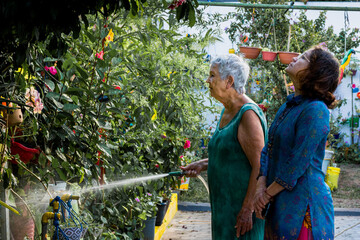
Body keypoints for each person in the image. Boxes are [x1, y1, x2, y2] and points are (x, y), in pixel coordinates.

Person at [254, 46, 340, 240]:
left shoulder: (316, 110)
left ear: (314, 73)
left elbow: (297, 163)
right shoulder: (289, 105)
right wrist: (261, 185)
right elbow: (268, 148)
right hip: (278, 200)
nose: (294, 58)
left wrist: (266, 195)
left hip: (304, 207)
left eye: (303, 58)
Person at [181, 54, 267, 239]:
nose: (208, 80)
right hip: (224, 208)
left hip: (241, 213)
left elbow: (260, 165)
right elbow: (233, 155)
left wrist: (247, 209)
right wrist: (203, 164)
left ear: (229, 81)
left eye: (212, 75)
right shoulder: (228, 109)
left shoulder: (248, 114)